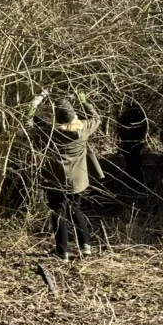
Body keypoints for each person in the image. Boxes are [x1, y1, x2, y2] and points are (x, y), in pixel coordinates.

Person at [28, 90, 101, 261]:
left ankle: (62, 251)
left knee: (58, 213)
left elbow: (27, 124)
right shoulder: (83, 129)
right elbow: (96, 118)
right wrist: (83, 100)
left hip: (55, 180)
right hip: (77, 181)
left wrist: (37, 100)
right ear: (73, 115)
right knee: (75, 210)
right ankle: (85, 246)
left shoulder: (48, 132)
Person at [116, 98, 148, 188]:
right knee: (134, 161)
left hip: (130, 140)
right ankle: (136, 180)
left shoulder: (132, 111)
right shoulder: (141, 113)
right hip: (136, 140)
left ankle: (134, 181)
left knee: (132, 161)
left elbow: (121, 121)